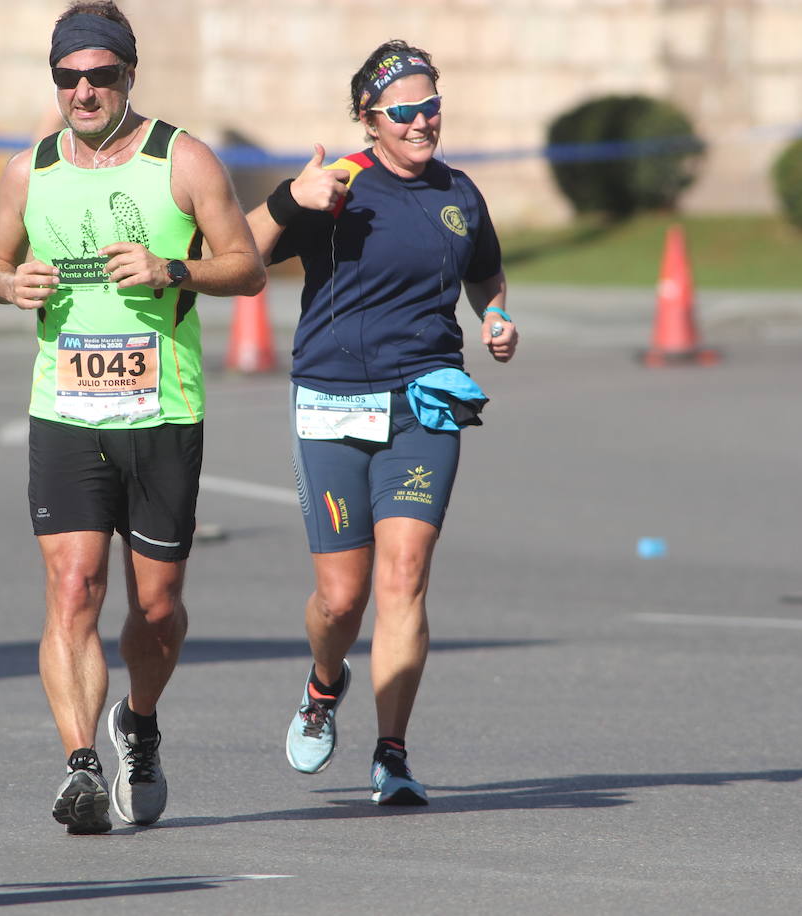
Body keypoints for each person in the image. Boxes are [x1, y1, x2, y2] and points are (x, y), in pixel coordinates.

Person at [0, 1, 264, 834]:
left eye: (100, 76)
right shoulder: (29, 171)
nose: (84, 92)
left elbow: (245, 268)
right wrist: (7, 284)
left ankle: (137, 722)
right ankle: (81, 765)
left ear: (129, 76)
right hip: (64, 408)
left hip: (163, 410)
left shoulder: (186, 160)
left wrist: (172, 267)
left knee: (159, 606)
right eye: (68, 78)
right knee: (72, 589)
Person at [245, 40, 517, 806]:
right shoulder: (336, 186)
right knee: (341, 597)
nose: (423, 120)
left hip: (424, 403)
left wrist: (495, 315)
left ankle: (392, 754)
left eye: (432, 105)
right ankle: (324, 685)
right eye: (405, 110)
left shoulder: (458, 192)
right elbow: (238, 257)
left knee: (405, 576)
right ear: (369, 119)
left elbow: (485, 269)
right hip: (331, 402)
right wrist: (288, 201)